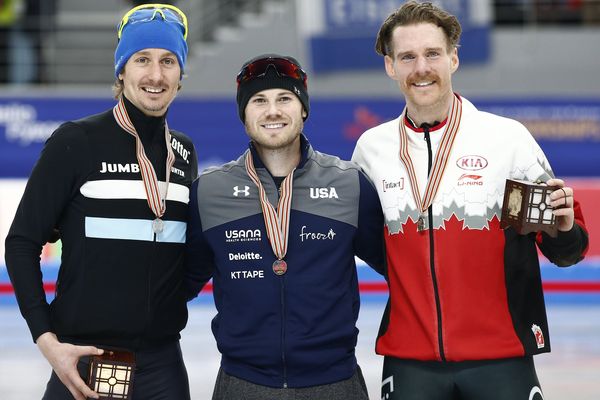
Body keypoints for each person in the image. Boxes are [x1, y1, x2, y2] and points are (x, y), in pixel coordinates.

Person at [351, 2, 589, 400]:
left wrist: (563, 230)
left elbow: (567, 249)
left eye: (432, 54)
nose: (421, 68)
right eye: (407, 57)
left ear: (453, 59)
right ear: (390, 66)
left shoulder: (505, 140)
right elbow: (369, 245)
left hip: (500, 358)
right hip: (411, 362)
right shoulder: (371, 150)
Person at [5, 4, 197, 400]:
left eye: (168, 61)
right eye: (142, 59)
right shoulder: (76, 142)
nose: (156, 75)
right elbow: (22, 243)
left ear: (181, 76)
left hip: (163, 365)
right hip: (84, 360)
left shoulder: (184, 152)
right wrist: (46, 340)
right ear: (121, 70)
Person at [185, 54, 385, 400]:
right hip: (242, 383)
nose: (272, 111)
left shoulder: (350, 184)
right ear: (244, 115)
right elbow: (175, 287)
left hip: (335, 382)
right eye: (259, 101)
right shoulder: (209, 191)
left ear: (303, 109)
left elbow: (402, 270)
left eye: (284, 99)